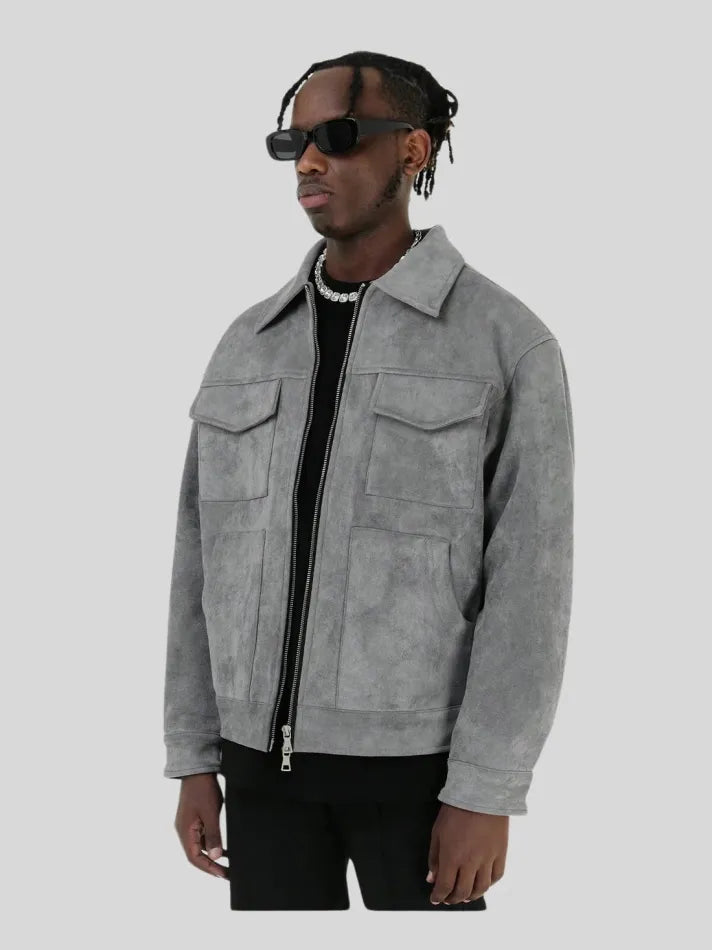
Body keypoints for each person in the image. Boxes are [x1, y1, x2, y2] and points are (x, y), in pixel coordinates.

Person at [163, 50, 575, 912]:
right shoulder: (247, 344)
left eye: (340, 137)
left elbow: (532, 589)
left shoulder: (505, 343)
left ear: (412, 151)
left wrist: (487, 788)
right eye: (295, 143)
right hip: (258, 776)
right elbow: (199, 565)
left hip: (419, 778)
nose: (310, 162)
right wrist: (195, 754)